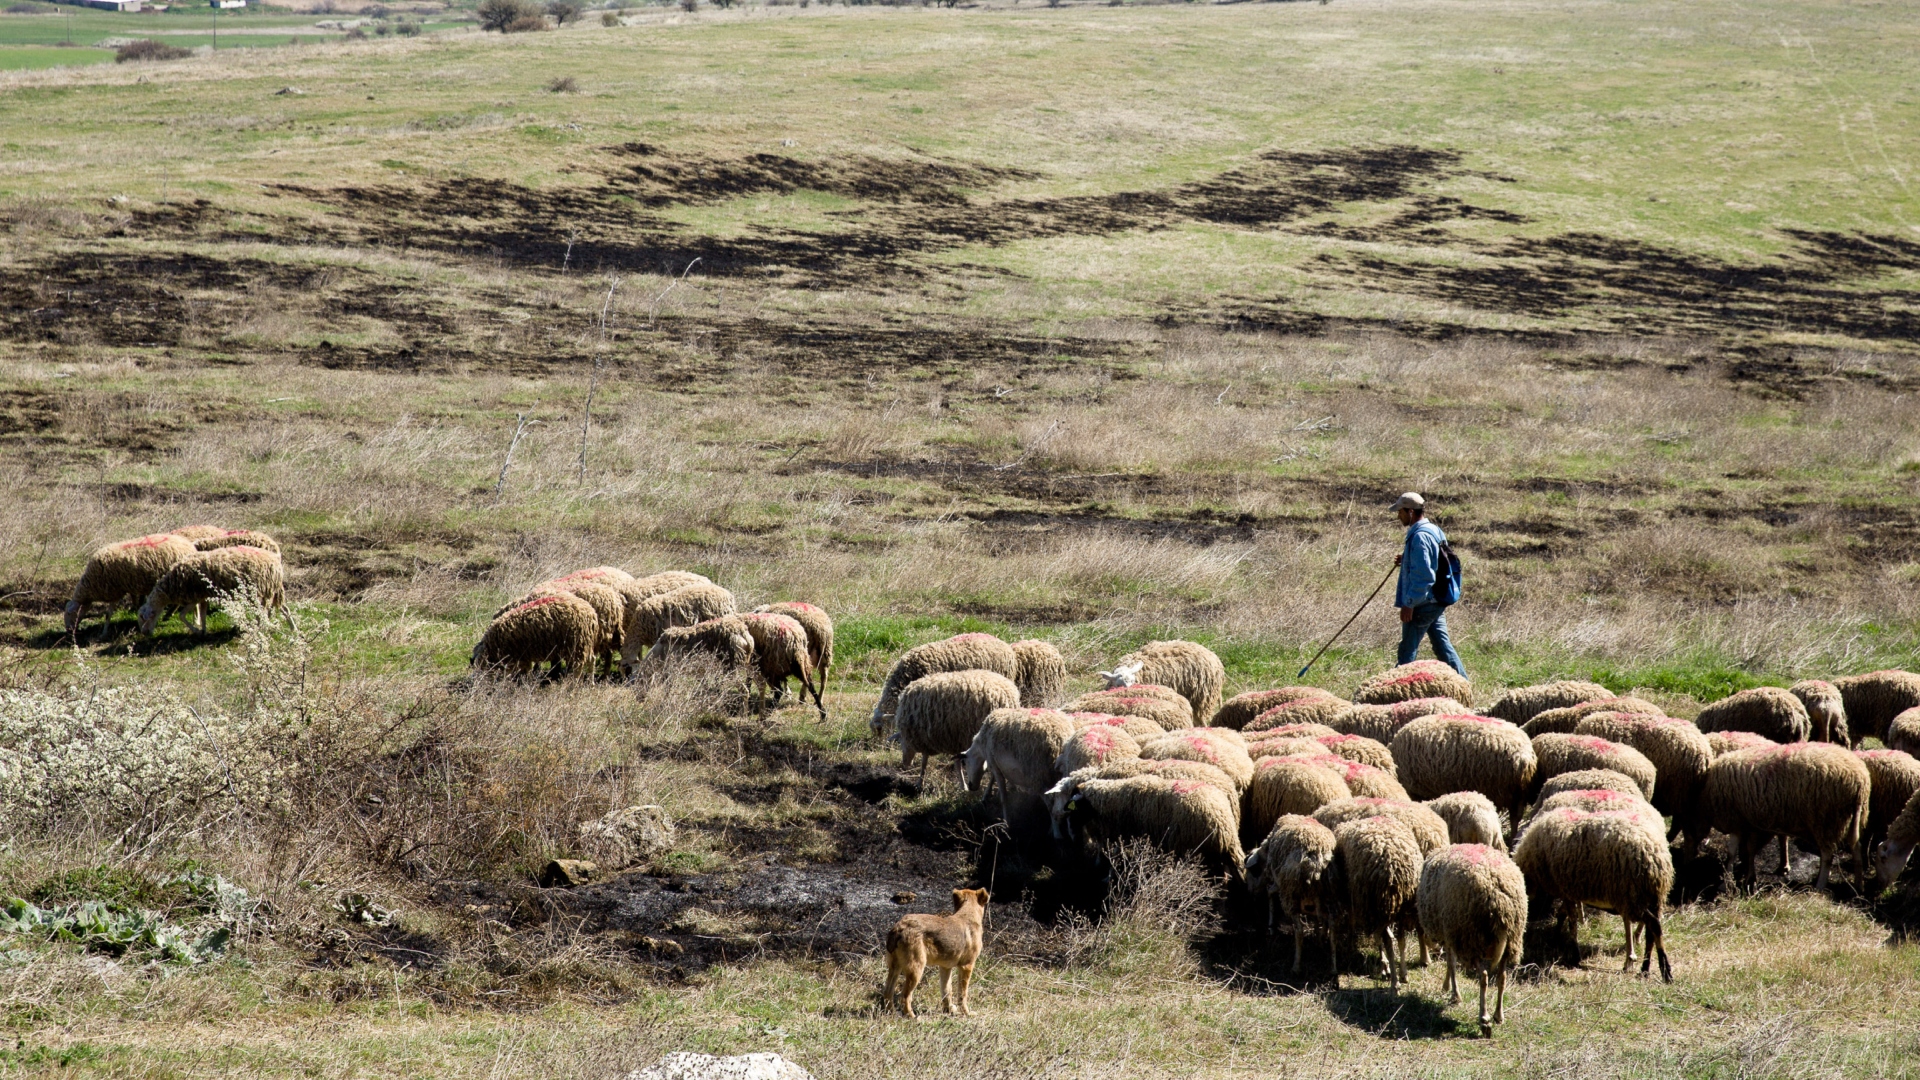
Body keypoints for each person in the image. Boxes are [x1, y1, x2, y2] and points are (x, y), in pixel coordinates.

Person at [1390, 492, 1465, 676]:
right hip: (1436, 600)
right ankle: (1464, 685)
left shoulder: (1419, 537)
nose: (1398, 515)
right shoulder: (1434, 530)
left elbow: (1424, 576)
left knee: (1407, 651)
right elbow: (1435, 560)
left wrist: (1409, 603)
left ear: (1410, 512)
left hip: (1423, 603)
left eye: (1400, 511)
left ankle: (1395, 696)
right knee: (1442, 646)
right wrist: (1408, 559)